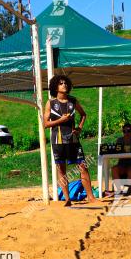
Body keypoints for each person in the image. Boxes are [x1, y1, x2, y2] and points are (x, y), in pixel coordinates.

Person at [43, 75, 93, 206]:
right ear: (55, 87)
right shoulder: (50, 103)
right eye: (61, 83)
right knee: (61, 169)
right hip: (58, 141)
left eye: (65, 83)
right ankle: (67, 199)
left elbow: (83, 114)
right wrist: (60, 120)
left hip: (73, 140)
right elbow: (45, 124)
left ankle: (91, 197)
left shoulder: (72, 101)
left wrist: (80, 128)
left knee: (82, 166)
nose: (64, 85)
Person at [111, 123, 131, 192]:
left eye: (128, 131)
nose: (126, 133)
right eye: (124, 131)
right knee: (114, 169)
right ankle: (119, 189)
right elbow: (116, 150)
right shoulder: (119, 140)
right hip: (122, 164)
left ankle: (128, 188)